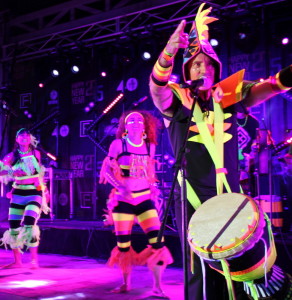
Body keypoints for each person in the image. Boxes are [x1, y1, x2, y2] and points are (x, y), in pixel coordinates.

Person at [149, 2, 292, 299]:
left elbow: (272, 86)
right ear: (188, 70)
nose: (202, 68)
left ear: (216, 69)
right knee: (199, 269)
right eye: (196, 64)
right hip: (190, 197)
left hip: (228, 192)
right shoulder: (177, 102)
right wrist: (169, 51)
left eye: (207, 63)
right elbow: (157, 87)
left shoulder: (230, 96)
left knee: (243, 260)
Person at [99, 110, 173, 298]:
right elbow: (106, 172)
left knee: (158, 241)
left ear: (145, 125)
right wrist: (120, 187)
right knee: (123, 245)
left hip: (145, 199)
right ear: (125, 126)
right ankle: (126, 283)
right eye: (130, 120)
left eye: (138, 119)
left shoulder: (151, 146)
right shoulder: (118, 144)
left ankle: (157, 286)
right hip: (123, 201)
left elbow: (150, 173)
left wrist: (153, 190)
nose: (135, 122)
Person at [0, 128, 50, 269]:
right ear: (16, 139)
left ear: (30, 139)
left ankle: (34, 260)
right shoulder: (11, 156)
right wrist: (12, 170)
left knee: (29, 223)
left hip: (34, 192)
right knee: (14, 228)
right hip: (18, 194)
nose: (24, 137)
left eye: (27, 135)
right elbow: (1, 170)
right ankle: (18, 262)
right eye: (21, 135)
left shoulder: (36, 153)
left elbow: (39, 173)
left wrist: (45, 189)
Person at [237, 109, 260, 196]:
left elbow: (255, 139)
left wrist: (253, 149)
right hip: (231, 156)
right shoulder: (229, 119)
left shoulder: (253, 122)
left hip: (247, 158)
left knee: (248, 183)